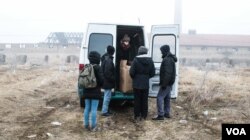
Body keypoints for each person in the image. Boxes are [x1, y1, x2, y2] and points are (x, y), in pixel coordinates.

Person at [129, 46, 155, 121]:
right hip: (145, 84)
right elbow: (153, 73)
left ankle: (137, 116)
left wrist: (135, 78)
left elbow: (131, 72)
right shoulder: (150, 60)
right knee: (144, 100)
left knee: (137, 100)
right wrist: (146, 77)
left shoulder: (135, 60)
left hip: (136, 84)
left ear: (139, 52)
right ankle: (144, 116)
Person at [152, 45, 177, 120]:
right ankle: (167, 113)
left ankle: (160, 115)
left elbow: (168, 73)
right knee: (167, 98)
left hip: (167, 82)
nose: (161, 52)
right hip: (169, 82)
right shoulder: (170, 58)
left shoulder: (167, 60)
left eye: (161, 51)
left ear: (165, 51)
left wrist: (164, 84)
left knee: (159, 97)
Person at [83, 51, 104, 131]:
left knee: (87, 108)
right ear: (98, 59)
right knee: (94, 109)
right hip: (95, 91)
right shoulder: (98, 68)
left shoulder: (86, 67)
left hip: (86, 90)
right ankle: (94, 126)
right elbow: (101, 80)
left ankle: (86, 125)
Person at [101, 45, 115, 116]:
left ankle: (106, 109)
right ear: (112, 52)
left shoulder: (105, 58)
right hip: (107, 81)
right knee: (107, 96)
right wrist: (113, 79)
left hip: (105, 81)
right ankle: (104, 111)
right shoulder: (109, 60)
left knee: (107, 96)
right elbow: (108, 73)